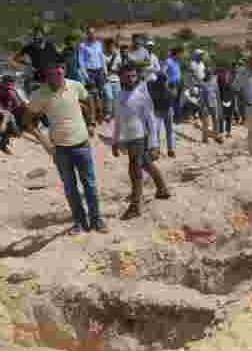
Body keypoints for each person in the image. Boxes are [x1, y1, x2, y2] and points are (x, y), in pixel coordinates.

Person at [24, 60, 108, 235]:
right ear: (46, 74)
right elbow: (27, 121)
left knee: (90, 185)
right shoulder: (39, 95)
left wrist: (91, 122)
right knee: (70, 188)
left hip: (82, 144)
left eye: (60, 70)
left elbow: (88, 99)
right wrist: (45, 143)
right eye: (53, 72)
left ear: (64, 70)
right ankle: (79, 222)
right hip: (60, 149)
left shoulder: (75, 86)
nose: (57, 74)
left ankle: (96, 220)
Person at [112, 64, 171, 220]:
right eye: (127, 76)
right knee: (145, 164)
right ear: (121, 77)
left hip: (140, 137)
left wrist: (154, 145)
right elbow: (118, 120)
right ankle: (162, 189)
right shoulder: (118, 96)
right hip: (128, 138)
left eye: (133, 76)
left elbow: (151, 121)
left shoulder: (142, 96)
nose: (131, 79)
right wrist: (115, 140)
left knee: (135, 169)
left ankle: (135, 206)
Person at [79, 28, 107, 122]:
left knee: (101, 93)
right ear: (87, 34)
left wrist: (105, 72)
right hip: (90, 72)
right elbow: (81, 61)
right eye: (90, 33)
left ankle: (101, 114)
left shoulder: (99, 44)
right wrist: (86, 76)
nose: (92, 35)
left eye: (93, 33)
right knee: (92, 94)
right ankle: (92, 117)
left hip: (99, 71)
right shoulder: (83, 46)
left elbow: (102, 58)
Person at [104, 38, 123, 121]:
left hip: (116, 79)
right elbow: (103, 68)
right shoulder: (103, 55)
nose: (111, 47)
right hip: (107, 80)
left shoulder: (117, 55)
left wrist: (115, 70)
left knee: (117, 98)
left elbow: (120, 67)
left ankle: (115, 114)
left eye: (112, 46)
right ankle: (108, 113)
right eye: (109, 46)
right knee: (109, 97)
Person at [217, 66, 237, 140]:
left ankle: (228, 132)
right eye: (225, 73)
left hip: (230, 99)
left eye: (228, 73)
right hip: (222, 99)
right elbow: (218, 90)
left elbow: (234, 90)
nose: (226, 75)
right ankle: (221, 132)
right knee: (221, 117)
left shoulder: (233, 79)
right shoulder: (219, 79)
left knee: (229, 117)